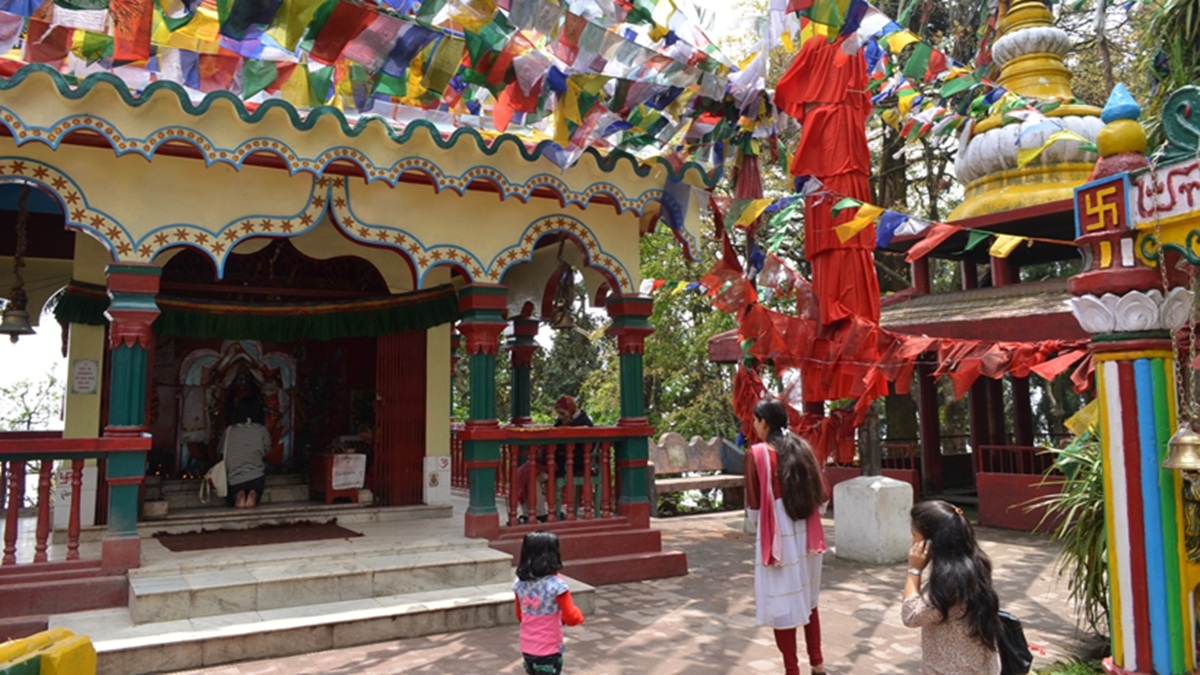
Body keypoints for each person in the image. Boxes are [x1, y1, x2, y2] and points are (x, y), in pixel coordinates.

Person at [745, 398, 828, 675]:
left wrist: (762, 528)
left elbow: (754, 507)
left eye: (755, 420)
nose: (754, 426)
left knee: (783, 605)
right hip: (808, 530)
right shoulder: (802, 448)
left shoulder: (757, 454)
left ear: (764, 423)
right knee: (808, 599)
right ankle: (817, 663)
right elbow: (822, 495)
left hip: (778, 533)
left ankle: (792, 669)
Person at [902, 499, 1002, 674]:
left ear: (930, 542)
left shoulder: (950, 582)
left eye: (914, 534)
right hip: (981, 666)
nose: (911, 540)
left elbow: (911, 616)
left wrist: (914, 570)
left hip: (955, 669)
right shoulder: (976, 562)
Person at [512, 530, 585, 675]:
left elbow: (520, 616)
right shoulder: (557, 586)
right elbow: (571, 618)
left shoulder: (519, 584)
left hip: (527, 647)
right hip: (549, 649)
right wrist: (579, 615)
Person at [515, 395, 594, 523]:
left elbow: (583, 450)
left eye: (563, 414)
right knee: (524, 473)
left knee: (531, 475)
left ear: (571, 410)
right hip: (554, 463)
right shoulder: (562, 422)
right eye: (559, 414)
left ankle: (538, 513)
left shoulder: (584, 423)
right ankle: (531, 513)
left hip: (570, 466)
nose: (561, 417)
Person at [218, 397, 270, 509]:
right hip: (256, 477)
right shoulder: (261, 430)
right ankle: (254, 494)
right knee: (258, 483)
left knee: (232, 493)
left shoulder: (229, 430)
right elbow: (267, 450)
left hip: (234, 479)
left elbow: (220, 451)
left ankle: (238, 495)